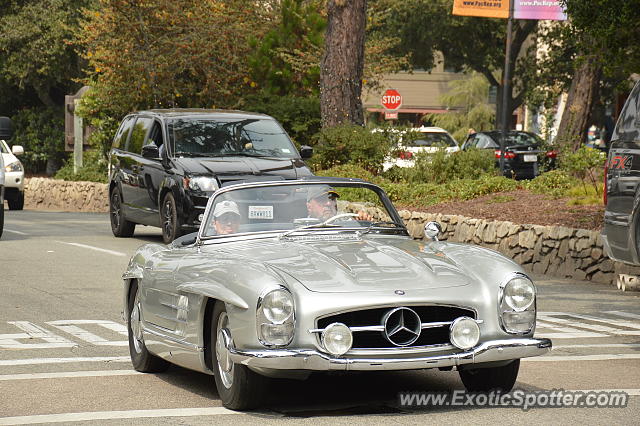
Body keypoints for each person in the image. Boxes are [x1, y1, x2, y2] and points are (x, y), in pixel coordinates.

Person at [306, 186, 373, 222]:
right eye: (322, 200)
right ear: (309, 206)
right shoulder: (298, 228)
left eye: (332, 199)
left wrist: (363, 221)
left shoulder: (345, 220)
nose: (329, 203)